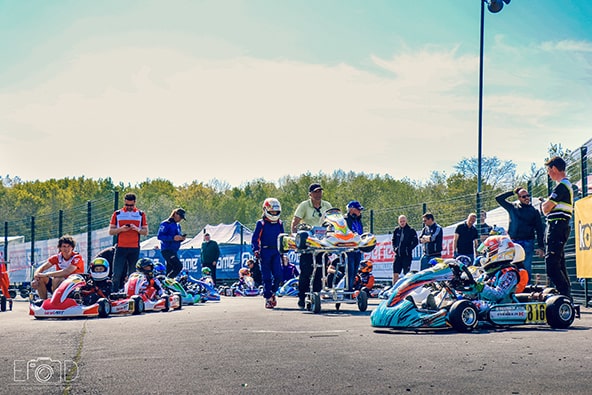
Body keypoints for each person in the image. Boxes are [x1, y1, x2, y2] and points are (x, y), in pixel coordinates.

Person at [291, 183, 333, 309]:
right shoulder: (304, 205)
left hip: (322, 244)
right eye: (315, 192)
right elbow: (295, 221)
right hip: (308, 244)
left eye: (320, 191)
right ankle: (302, 296)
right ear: (310, 194)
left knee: (320, 271)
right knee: (306, 272)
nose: (318, 194)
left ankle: (315, 295)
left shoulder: (327, 205)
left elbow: (333, 221)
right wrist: (295, 237)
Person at [541, 156, 573, 299]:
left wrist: (545, 204)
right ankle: (566, 296)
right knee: (559, 262)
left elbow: (546, 208)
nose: (548, 173)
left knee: (552, 264)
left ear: (554, 168)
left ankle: (564, 293)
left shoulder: (562, 186)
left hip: (557, 225)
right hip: (559, 225)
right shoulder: (564, 186)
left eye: (548, 170)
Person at [495, 187, 545, 278]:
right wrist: (513, 192)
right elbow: (499, 198)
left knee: (526, 267)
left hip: (528, 242)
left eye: (528, 196)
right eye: (523, 196)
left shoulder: (534, 211)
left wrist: (541, 246)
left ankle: (526, 287)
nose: (526, 198)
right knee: (511, 265)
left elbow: (539, 229)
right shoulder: (512, 207)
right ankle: (512, 286)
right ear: (519, 198)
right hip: (513, 242)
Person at [465, 235, 520, 313]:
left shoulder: (509, 273)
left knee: (466, 306)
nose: (483, 256)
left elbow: (498, 295)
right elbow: (474, 293)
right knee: (458, 301)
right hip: (485, 305)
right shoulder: (488, 272)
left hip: (500, 308)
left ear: (498, 252)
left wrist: (480, 286)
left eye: (486, 252)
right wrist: (465, 287)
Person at [109, 193, 148, 292]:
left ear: (135, 203)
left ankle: (131, 293)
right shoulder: (117, 214)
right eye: (127, 205)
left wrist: (136, 229)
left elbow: (145, 232)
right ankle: (114, 293)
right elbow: (111, 231)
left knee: (133, 274)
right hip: (121, 247)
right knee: (116, 274)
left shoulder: (140, 214)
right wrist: (121, 229)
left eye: (131, 205)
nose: (129, 207)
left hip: (134, 247)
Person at [252, 198, 284, 309]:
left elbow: (283, 238)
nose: (274, 214)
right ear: (266, 210)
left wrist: (284, 252)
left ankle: (273, 292)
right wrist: (256, 250)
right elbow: (255, 238)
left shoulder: (280, 223)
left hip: (276, 251)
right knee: (266, 277)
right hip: (264, 251)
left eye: (276, 212)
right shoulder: (261, 223)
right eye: (272, 212)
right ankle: (268, 298)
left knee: (279, 275)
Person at [32, 235, 85, 299]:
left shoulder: (77, 258)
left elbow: (67, 271)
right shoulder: (57, 257)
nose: (66, 249)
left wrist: (46, 274)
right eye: (64, 246)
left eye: (69, 246)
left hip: (73, 285)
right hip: (57, 285)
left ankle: (55, 301)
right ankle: (43, 302)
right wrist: (36, 279)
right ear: (60, 248)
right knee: (41, 278)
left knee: (57, 279)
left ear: (72, 248)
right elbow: (41, 268)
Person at [157, 208, 187, 278]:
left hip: (174, 250)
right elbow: (160, 236)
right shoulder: (166, 223)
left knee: (170, 269)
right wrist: (172, 238)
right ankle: (168, 281)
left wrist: (181, 238)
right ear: (175, 214)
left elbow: (177, 237)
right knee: (178, 266)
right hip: (167, 249)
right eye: (180, 217)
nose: (180, 219)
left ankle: (167, 285)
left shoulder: (178, 225)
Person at [391, 215, 419, 284]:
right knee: (395, 273)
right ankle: (393, 290)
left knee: (406, 274)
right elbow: (393, 240)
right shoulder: (396, 230)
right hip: (398, 255)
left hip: (407, 256)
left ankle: (406, 290)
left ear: (406, 221)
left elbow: (416, 242)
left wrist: (408, 249)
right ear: (398, 222)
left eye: (403, 221)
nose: (402, 223)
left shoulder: (411, 230)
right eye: (401, 221)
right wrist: (395, 248)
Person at [344, 200, 364, 291]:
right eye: (358, 209)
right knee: (350, 270)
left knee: (355, 270)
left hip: (358, 249)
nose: (359, 212)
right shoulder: (345, 220)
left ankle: (350, 288)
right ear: (351, 209)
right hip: (349, 249)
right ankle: (347, 289)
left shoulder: (359, 220)